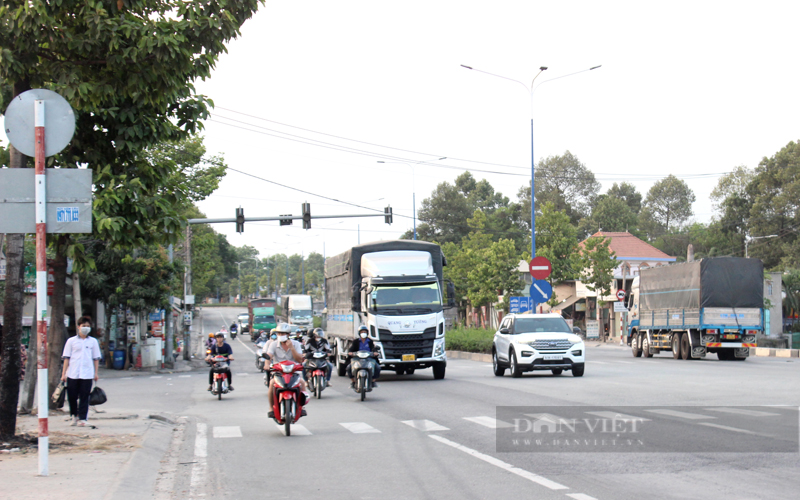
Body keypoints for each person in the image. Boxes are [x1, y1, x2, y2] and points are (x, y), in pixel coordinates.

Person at [60, 316, 101, 427]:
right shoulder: (71, 341)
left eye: (88, 326)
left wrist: (96, 373)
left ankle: (83, 418)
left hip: (87, 374)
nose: (85, 328)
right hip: (73, 373)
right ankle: (74, 416)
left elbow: (96, 358)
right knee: (72, 396)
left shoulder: (93, 342)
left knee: (84, 396)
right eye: (83, 326)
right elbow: (66, 358)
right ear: (78, 327)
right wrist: (63, 374)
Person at [266, 323, 308, 418]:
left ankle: (302, 407)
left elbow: (299, 359)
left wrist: (292, 348)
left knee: (302, 383)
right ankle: (271, 408)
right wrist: (266, 364)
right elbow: (269, 356)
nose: (281, 335)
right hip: (279, 372)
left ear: (288, 334)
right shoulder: (273, 344)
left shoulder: (296, 344)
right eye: (279, 333)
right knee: (272, 383)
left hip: (293, 372)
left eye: (283, 333)